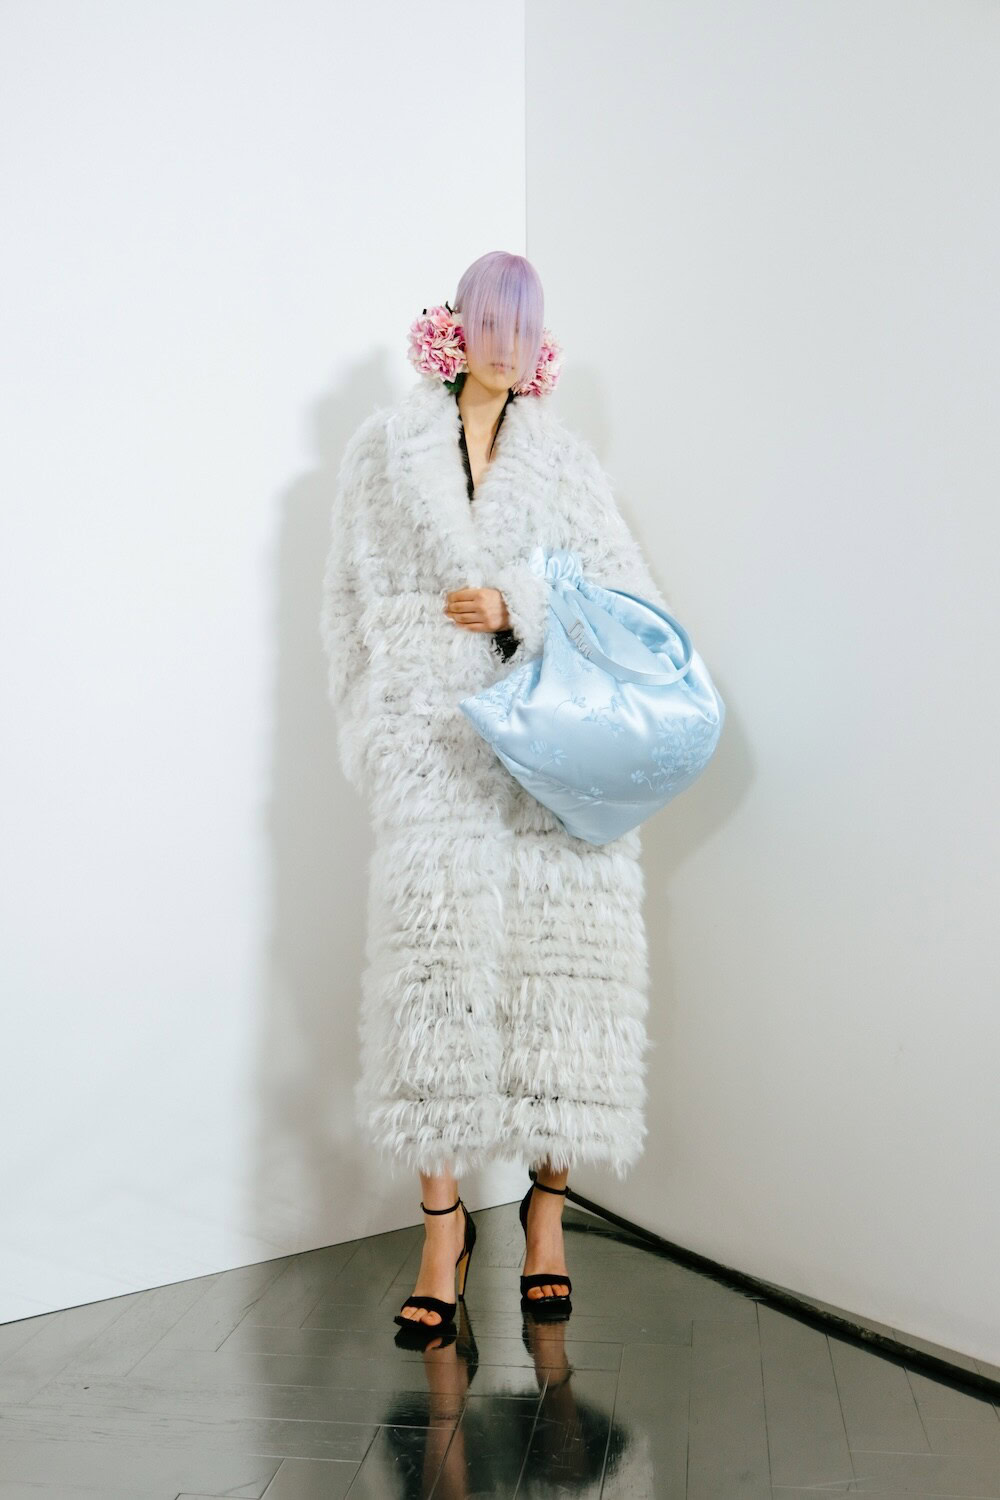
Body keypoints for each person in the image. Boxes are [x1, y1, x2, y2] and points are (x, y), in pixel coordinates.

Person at [320, 251, 671, 1333]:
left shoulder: (563, 462)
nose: (509, 346)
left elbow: (630, 602)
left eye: (526, 326)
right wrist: (374, 734)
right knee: (431, 992)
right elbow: (347, 604)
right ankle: (444, 1234)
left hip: (549, 765)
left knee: (566, 994)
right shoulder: (383, 453)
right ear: (458, 328)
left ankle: (546, 1221)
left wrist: (519, 603)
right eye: (493, 323)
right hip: (432, 757)